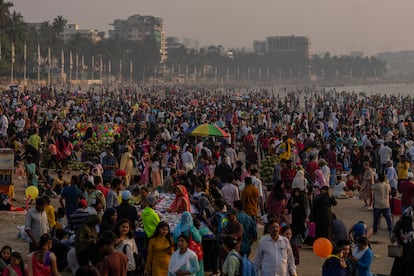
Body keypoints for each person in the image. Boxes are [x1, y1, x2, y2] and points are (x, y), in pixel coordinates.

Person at [172, 212, 204, 276]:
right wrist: (200, 233)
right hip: (191, 251)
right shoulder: (191, 228)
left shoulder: (178, 228)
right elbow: (198, 240)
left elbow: (175, 240)